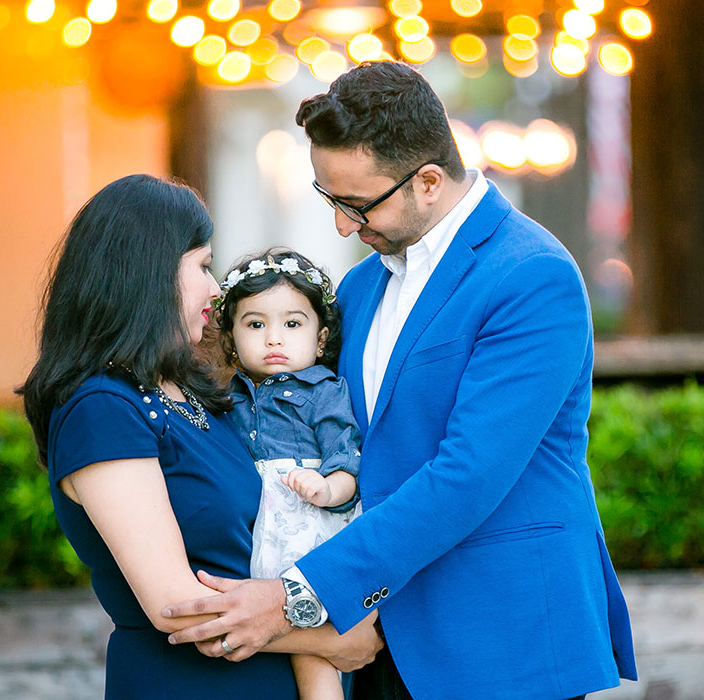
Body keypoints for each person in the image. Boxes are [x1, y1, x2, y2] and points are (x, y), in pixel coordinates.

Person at [162, 62, 638, 700]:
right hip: (375, 643)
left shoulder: (531, 275)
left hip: (501, 643)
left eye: (356, 204)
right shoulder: (359, 287)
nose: (340, 226)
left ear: (430, 181)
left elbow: (468, 475)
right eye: (329, 200)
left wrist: (294, 599)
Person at [18, 175, 381, 699]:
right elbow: (175, 604)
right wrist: (326, 637)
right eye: (203, 265)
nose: (216, 289)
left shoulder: (196, 392)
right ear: (149, 272)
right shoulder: (102, 408)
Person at [216, 248, 362, 699]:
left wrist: (325, 489)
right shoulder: (228, 397)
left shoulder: (324, 391)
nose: (273, 339)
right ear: (232, 336)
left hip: (304, 521)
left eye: (292, 324)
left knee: (309, 649)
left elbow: (347, 459)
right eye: (255, 324)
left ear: (320, 338)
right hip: (255, 528)